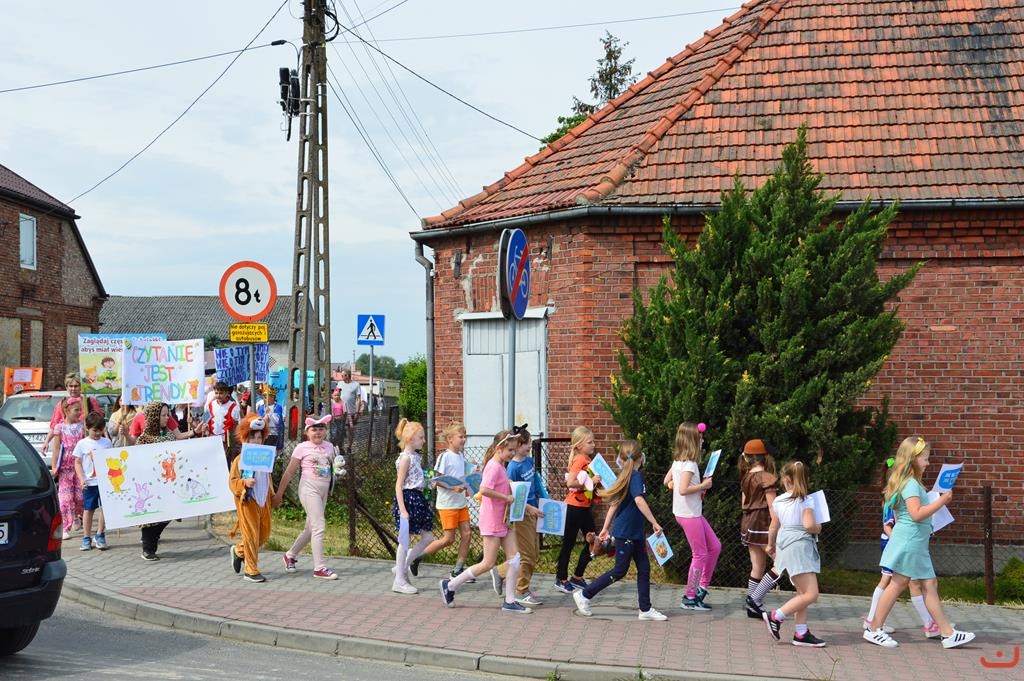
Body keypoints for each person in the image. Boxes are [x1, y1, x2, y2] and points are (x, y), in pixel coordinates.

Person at [863, 437, 975, 649]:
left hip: (915, 542)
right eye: (925, 458)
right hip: (910, 541)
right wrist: (941, 501)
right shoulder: (911, 484)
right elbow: (915, 514)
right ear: (913, 459)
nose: (928, 463)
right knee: (899, 583)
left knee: (928, 584)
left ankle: (947, 633)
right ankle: (874, 628)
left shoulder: (910, 482)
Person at [439, 429, 541, 613]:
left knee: (515, 558)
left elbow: (509, 492)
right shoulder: (493, 467)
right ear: (499, 448)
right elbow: (484, 490)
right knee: (487, 563)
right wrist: (505, 498)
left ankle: (510, 601)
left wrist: (528, 508)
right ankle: (450, 585)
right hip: (492, 520)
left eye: (514, 450)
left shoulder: (501, 466)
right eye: (509, 450)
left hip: (502, 520)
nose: (512, 453)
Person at [572, 440, 667, 621]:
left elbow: (614, 504)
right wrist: (654, 522)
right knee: (619, 570)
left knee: (644, 568)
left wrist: (606, 527)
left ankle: (645, 609)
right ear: (640, 458)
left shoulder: (624, 476)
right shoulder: (635, 476)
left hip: (634, 532)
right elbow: (638, 500)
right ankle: (584, 595)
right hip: (627, 533)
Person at [865, 458, 934, 636]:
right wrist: (898, 541)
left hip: (902, 543)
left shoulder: (898, 493)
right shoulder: (895, 496)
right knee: (891, 581)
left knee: (912, 582)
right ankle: (872, 620)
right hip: (897, 543)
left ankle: (929, 622)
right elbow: (887, 526)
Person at [762, 461, 826, 646]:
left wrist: (770, 545)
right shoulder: (806, 500)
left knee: (802, 593)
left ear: (785, 479)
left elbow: (774, 526)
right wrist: (818, 527)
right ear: (806, 479)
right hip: (800, 547)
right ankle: (776, 616)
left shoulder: (779, 501)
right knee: (811, 594)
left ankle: (801, 633)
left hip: (785, 543)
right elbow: (808, 525)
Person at [273, 414, 338, 580]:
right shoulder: (302, 448)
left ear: (326, 431)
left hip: (324, 491)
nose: (318, 432)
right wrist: (279, 494)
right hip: (309, 489)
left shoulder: (330, 447)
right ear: (307, 432)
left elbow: (334, 468)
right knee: (319, 526)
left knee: (311, 529)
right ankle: (319, 568)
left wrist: (339, 470)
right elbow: (289, 472)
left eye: (321, 429)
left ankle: (290, 555)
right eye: (313, 429)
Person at [666, 422, 720, 611]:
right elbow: (683, 489)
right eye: (700, 438)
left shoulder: (678, 462)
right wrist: (703, 486)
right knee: (700, 554)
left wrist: (679, 486)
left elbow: (667, 481)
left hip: (689, 512)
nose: (702, 441)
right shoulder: (689, 464)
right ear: (692, 440)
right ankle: (690, 597)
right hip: (690, 514)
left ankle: (701, 588)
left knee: (715, 546)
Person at [136, 401, 197, 560]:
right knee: (151, 519)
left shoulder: (169, 434)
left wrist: (195, 433)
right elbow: (139, 462)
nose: (166, 418)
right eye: (163, 415)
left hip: (168, 482)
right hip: (152, 484)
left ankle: (153, 540)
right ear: (154, 417)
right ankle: (148, 549)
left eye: (167, 414)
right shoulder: (144, 439)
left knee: (169, 514)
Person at [495, 425, 548, 606]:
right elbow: (514, 495)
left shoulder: (529, 461)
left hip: (534, 510)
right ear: (517, 446)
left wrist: (545, 499)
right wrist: (528, 508)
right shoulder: (512, 468)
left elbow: (536, 482)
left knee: (534, 552)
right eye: (527, 443)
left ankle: (501, 571)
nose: (530, 446)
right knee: (527, 555)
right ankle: (521, 590)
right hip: (522, 513)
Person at [414, 422, 473, 581]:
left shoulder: (461, 456)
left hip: (461, 503)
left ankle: (458, 570)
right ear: (450, 439)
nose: (464, 439)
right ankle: (417, 557)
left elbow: (463, 475)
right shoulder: (445, 457)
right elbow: (435, 480)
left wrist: (473, 472)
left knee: (467, 534)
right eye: (461, 437)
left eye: (465, 436)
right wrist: (453, 488)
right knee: (448, 539)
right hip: (448, 504)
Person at [228, 414, 275, 583]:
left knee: (263, 534)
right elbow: (232, 482)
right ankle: (251, 570)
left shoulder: (265, 457)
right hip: (248, 501)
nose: (256, 441)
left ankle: (239, 551)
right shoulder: (240, 460)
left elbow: (268, 479)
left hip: (263, 501)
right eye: (253, 437)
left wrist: (273, 496)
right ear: (245, 438)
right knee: (251, 535)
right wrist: (244, 483)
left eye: (259, 437)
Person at [554, 426, 601, 594]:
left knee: (593, 541)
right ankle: (561, 578)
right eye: (590, 442)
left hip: (584, 507)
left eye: (593, 441)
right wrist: (591, 481)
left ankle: (578, 576)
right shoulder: (580, 459)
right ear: (579, 445)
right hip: (573, 508)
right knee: (568, 543)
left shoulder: (587, 459)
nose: (593, 445)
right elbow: (571, 483)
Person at [390, 419, 432, 594]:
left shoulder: (415, 457)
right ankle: (399, 580)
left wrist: (429, 483)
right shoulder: (405, 458)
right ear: (410, 439)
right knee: (404, 540)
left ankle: (401, 567)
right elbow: (399, 485)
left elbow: (416, 479)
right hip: (408, 499)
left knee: (428, 537)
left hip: (418, 497)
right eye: (421, 437)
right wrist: (403, 510)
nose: (424, 441)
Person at [739, 439, 780, 618]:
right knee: (782, 562)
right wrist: (777, 526)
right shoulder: (767, 478)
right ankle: (754, 600)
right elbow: (773, 507)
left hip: (748, 523)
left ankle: (752, 606)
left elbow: (743, 503)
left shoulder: (746, 477)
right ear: (765, 457)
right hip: (763, 524)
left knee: (757, 566)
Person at [45, 397, 86, 539]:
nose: (79, 412)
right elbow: (56, 449)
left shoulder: (82, 426)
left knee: (80, 496)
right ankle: (65, 527)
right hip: (65, 468)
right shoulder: (60, 428)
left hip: (79, 466)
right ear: (66, 411)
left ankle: (76, 515)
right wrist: (54, 466)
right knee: (65, 498)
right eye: (76, 410)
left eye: (80, 410)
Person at [73, 411, 111, 551]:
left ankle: (100, 534)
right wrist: (81, 478)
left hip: (104, 482)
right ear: (87, 428)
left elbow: (111, 460)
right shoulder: (82, 444)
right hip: (89, 483)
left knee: (105, 509)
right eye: (94, 430)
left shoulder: (107, 443)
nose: (97, 433)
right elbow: (77, 462)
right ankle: (86, 537)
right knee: (88, 510)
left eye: (100, 430)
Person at [206, 381, 241, 464]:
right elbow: (205, 421)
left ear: (226, 393)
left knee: (225, 464)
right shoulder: (211, 405)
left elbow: (236, 426)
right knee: (213, 463)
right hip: (212, 440)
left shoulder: (233, 406)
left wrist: (235, 442)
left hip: (227, 442)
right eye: (216, 393)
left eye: (221, 393)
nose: (218, 395)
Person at [337, 369, 363, 454]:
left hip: (351, 411)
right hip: (341, 412)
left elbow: (358, 399)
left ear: (347, 376)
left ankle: (349, 447)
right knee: (340, 430)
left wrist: (357, 412)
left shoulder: (356, 385)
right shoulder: (339, 384)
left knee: (350, 430)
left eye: (343, 375)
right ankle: (340, 447)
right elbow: (336, 395)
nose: (341, 377)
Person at [255, 387, 284, 451]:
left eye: (266, 397)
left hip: (274, 433)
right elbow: (259, 418)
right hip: (264, 432)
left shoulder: (277, 407)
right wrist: (263, 417)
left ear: (272, 397)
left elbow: (277, 420)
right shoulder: (262, 407)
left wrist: (269, 414)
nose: (264, 399)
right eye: (264, 397)